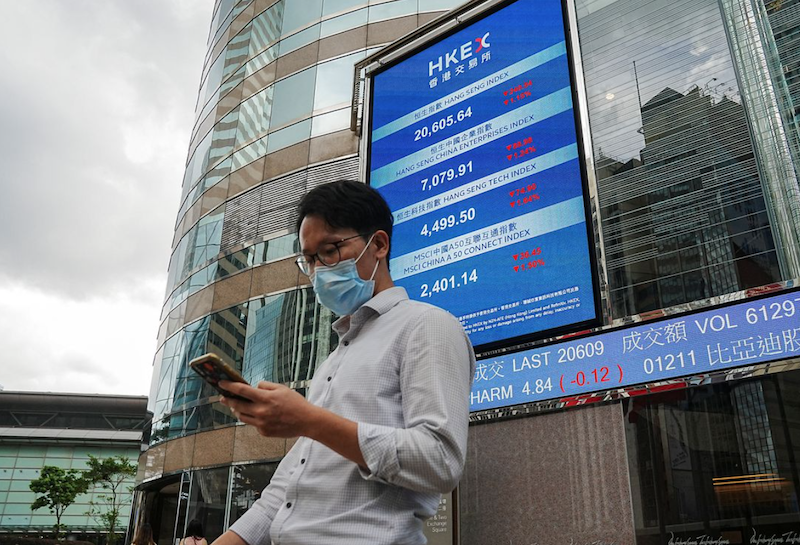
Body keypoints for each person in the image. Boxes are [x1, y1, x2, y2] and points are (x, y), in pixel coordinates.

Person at [215, 180, 475, 545]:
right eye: (308, 259)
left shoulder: (427, 325)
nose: (319, 269)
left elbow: (440, 461)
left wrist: (309, 419)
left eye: (330, 250)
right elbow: (286, 489)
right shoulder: (333, 362)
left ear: (379, 244)